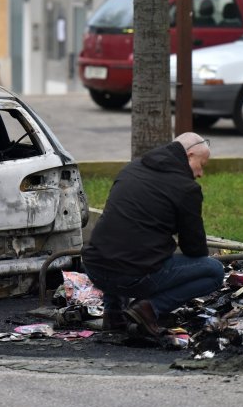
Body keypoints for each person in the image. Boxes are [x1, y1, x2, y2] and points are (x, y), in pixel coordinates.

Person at [81, 132, 225, 340]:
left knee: (119, 245)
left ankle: (114, 316)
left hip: (95, 267)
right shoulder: (186, 189)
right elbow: (195, 249)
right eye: (201, 164)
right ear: (190, 155)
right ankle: (148, 309)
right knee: (213, 271)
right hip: (132, 277)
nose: (201, 173)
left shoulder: (132, 168)